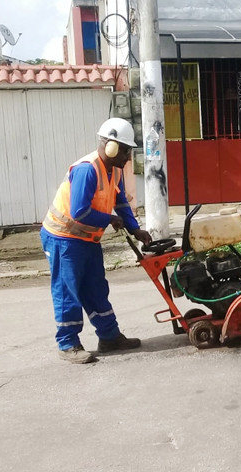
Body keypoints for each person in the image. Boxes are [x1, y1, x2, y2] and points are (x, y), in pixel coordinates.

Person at [41, 118, 152, 364]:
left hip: (87, 238)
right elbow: (80, 211)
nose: (127, 156)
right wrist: (110, 219)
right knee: (67, 290)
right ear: (111, 146)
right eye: (125, 150)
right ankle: (68, 344)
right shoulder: (87, 169)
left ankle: (110, 337)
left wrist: (136, 230)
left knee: (96, 287)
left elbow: (121, 201)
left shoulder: (114, 171)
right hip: (64, 238)